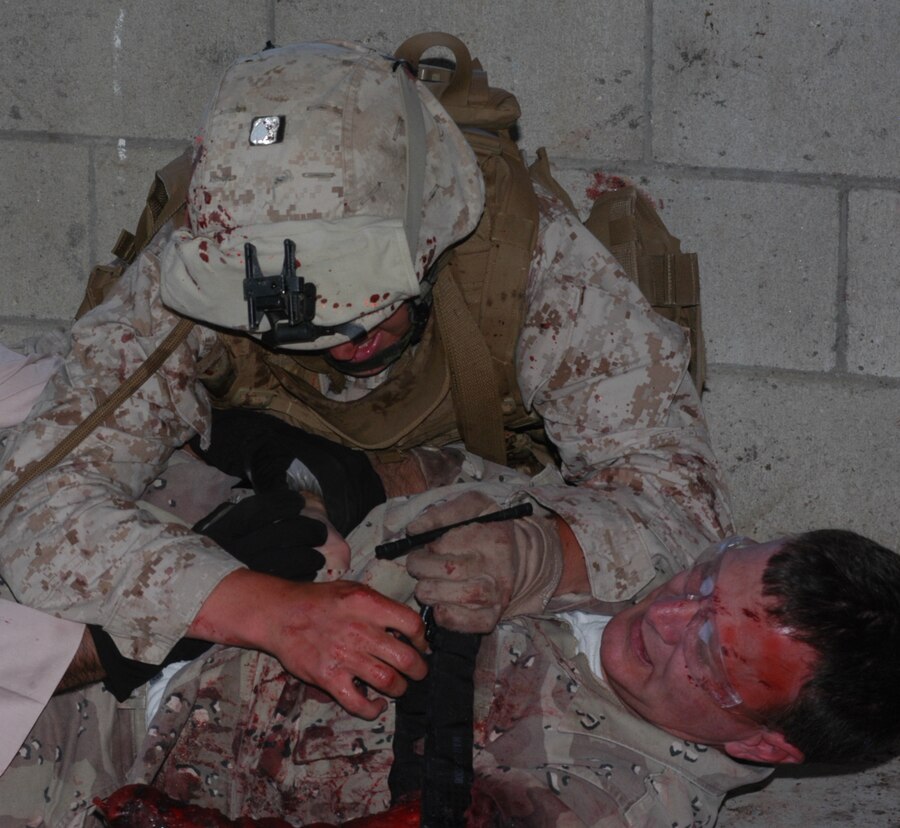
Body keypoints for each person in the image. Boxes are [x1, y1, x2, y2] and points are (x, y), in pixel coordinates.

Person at [0, 37, 897, 825]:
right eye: (319, 328)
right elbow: (42, 509)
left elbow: (685, 515)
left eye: (374, 314)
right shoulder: (224, 248)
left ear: (429, 242)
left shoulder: (532, 270)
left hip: (432, 501)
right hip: (226, 476)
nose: (354, 345)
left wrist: (547, 552)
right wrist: (256, 608)